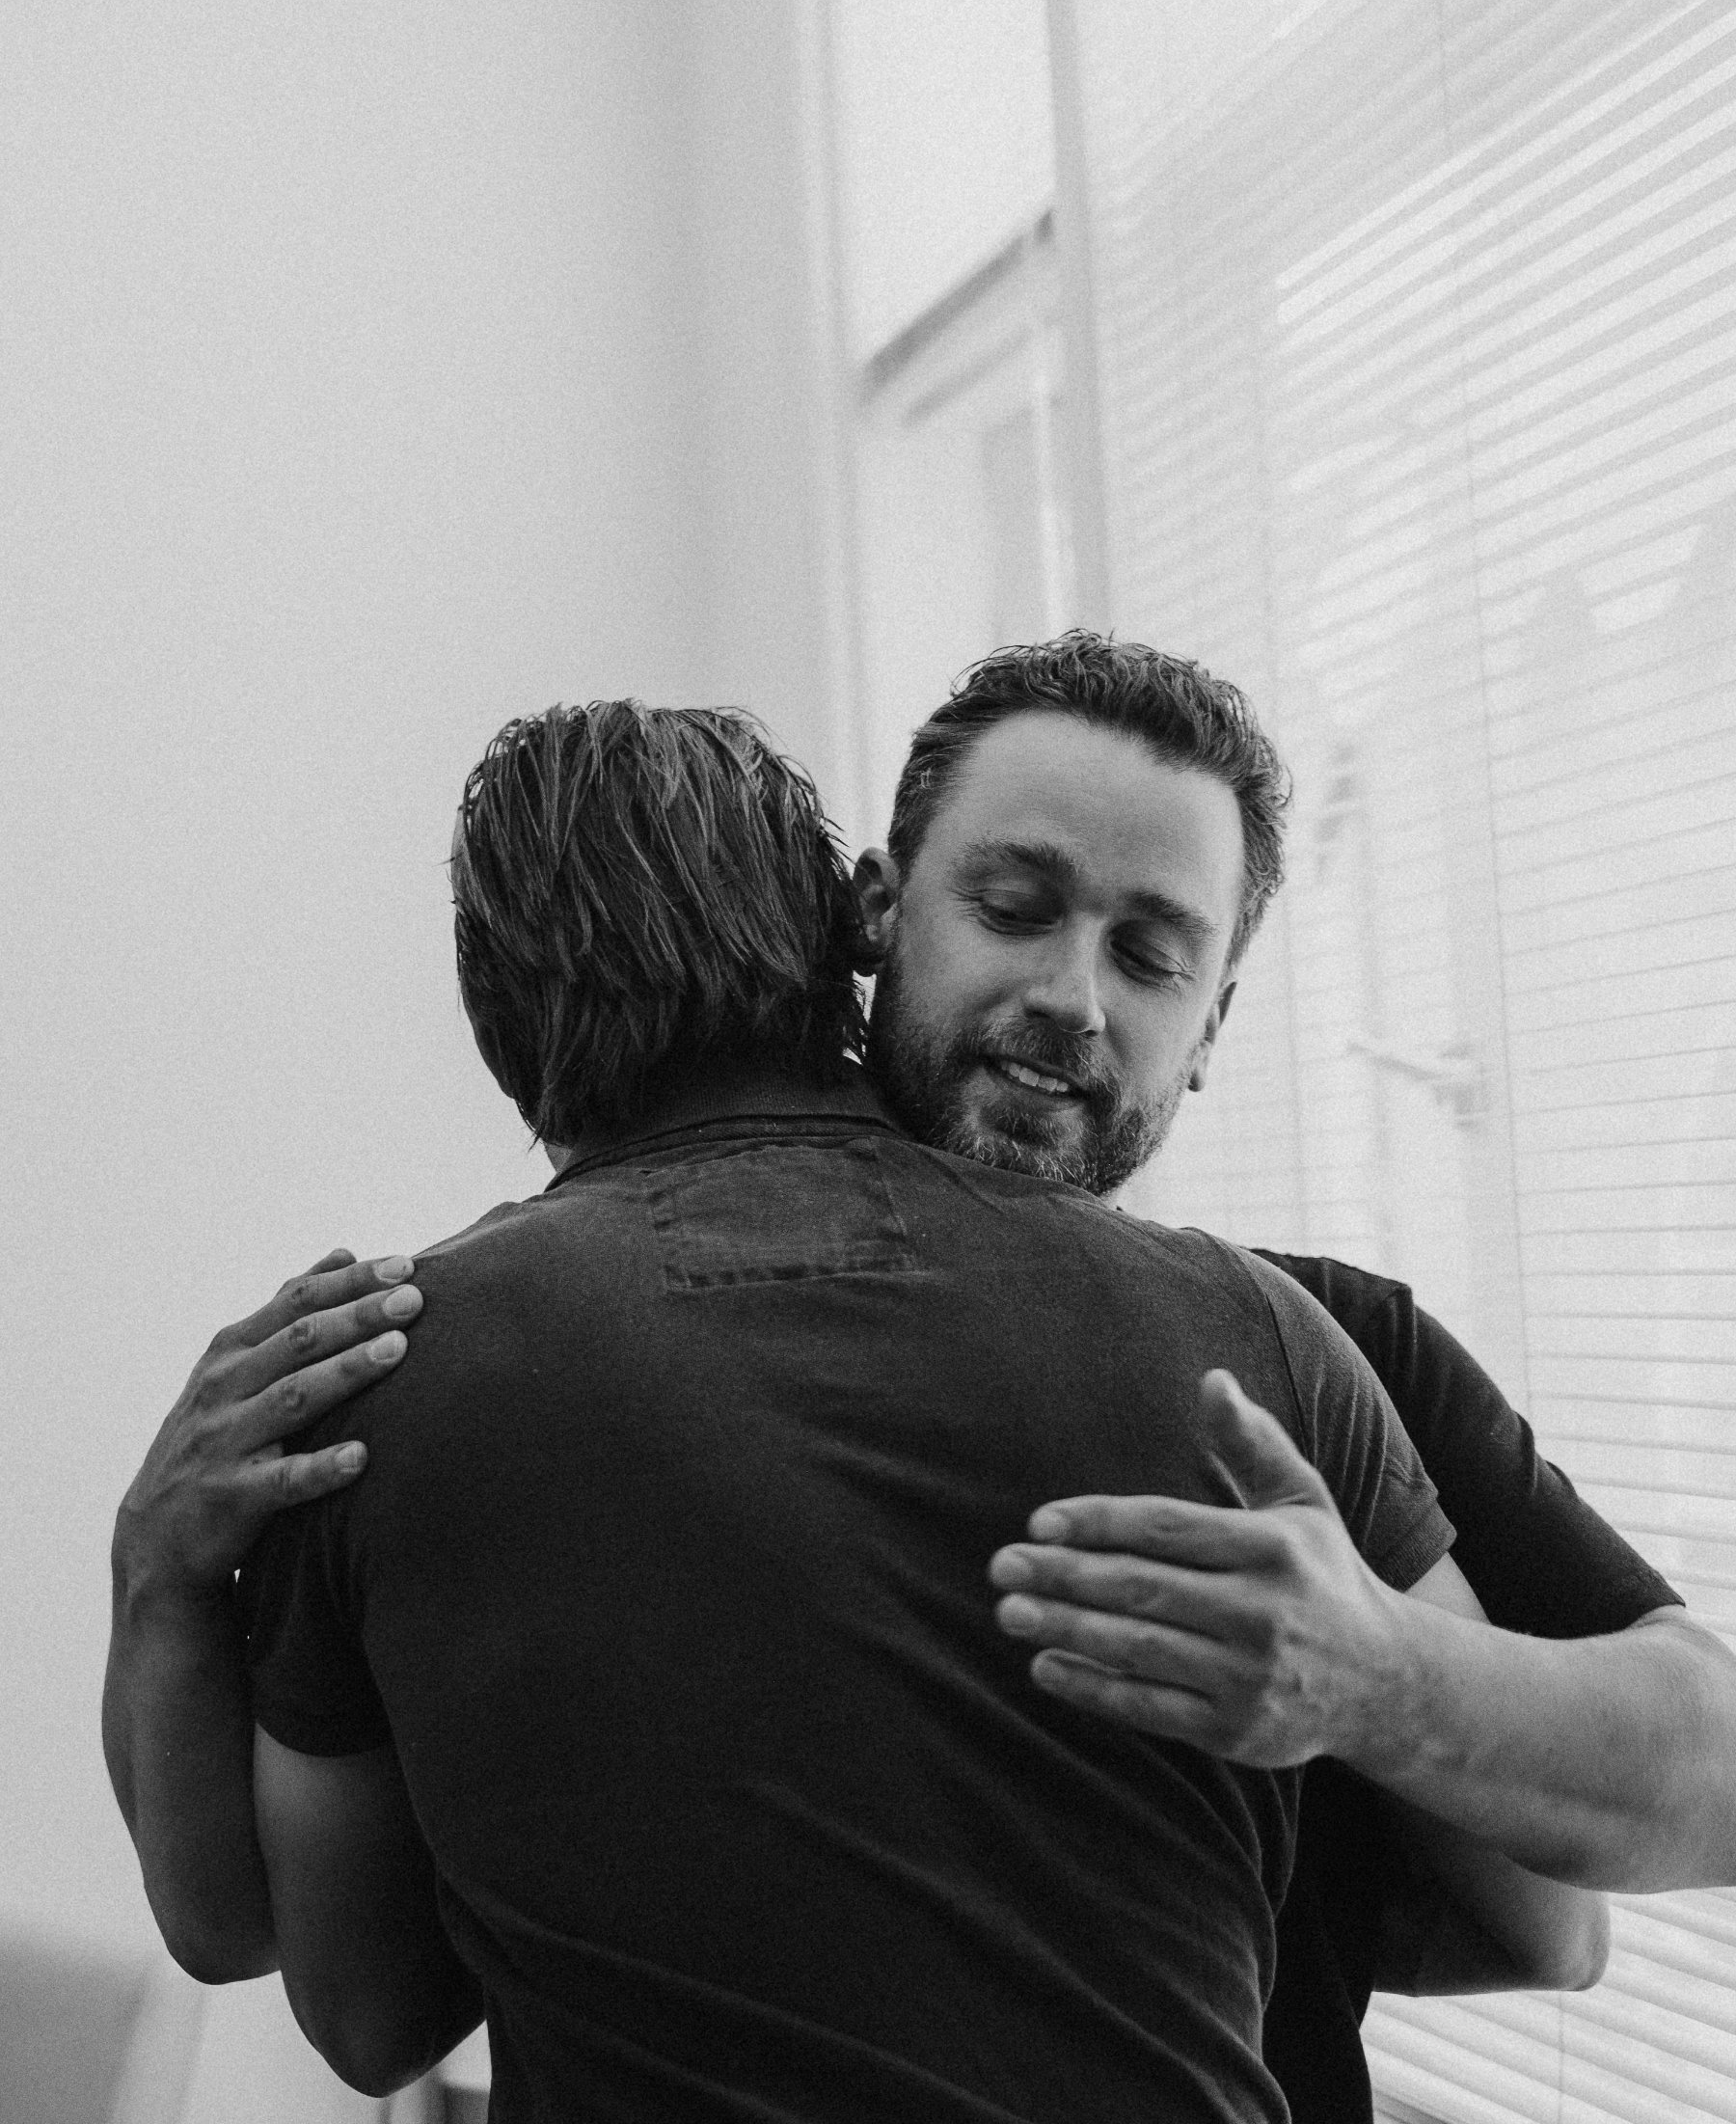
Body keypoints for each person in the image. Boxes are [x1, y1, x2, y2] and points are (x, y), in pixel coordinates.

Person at [109, 637, 1735, 2113]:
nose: (1069, 1001)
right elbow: (1542, 1923)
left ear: (1215, 1019)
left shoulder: (1321, 1342)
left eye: (1151, 956)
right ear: (872, 915)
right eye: (1015, 908)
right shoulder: (1258, 1343)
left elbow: (1606, 1871)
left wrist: (1380, 1678)